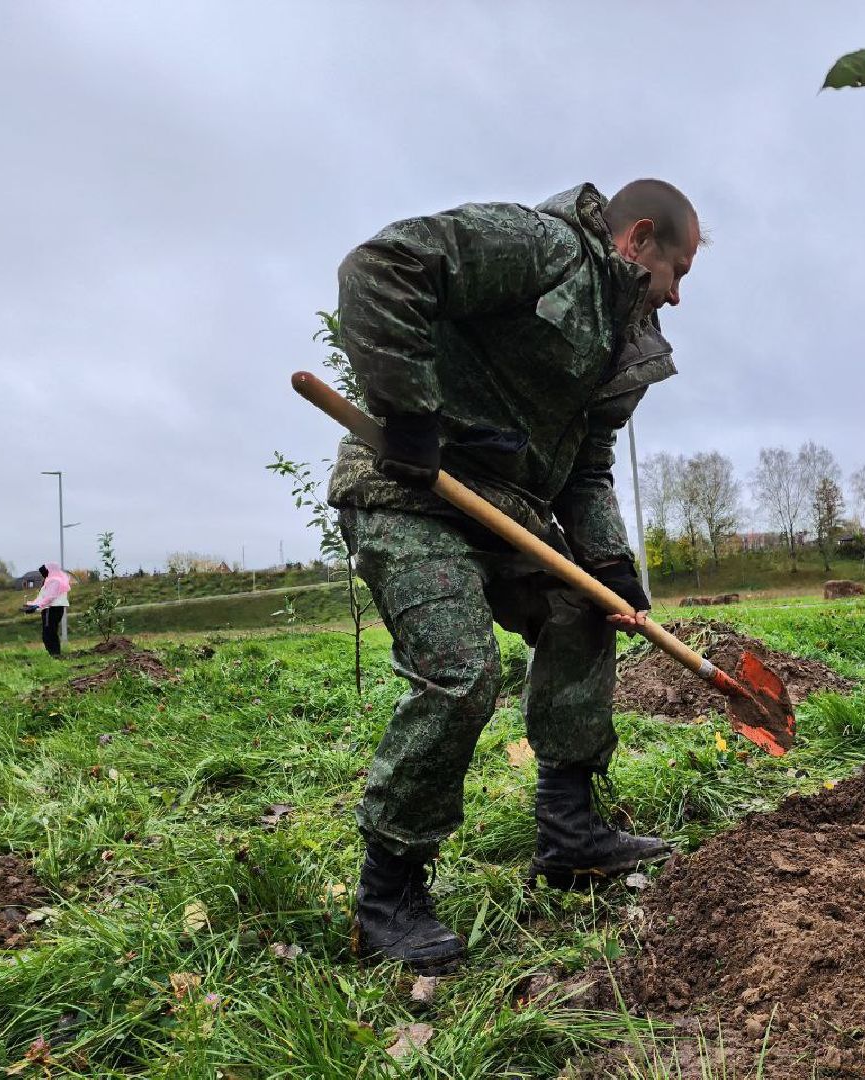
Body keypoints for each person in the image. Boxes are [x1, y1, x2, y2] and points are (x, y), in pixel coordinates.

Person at [326, 179, 703, 973]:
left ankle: (570, 834)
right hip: (409, 489)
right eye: (680, 273)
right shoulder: (538, 246)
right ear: (637, 240)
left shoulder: (623, 347)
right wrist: (413, 410)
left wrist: (608, 562)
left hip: (504, 506)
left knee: (583, 608)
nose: (676, 297)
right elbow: (380, 268)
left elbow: (588, 469)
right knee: (463, 673)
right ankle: (387, 894)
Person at [23, 562, 71, 657]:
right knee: (49, 632)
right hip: (50, 609)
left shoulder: (55, 581)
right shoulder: (50, 580)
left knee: (49, 633)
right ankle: (54, 654)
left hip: (52, 609)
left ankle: (55, 654)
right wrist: (31, 604)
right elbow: (42, 597)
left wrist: (37, 606)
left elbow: (50, 597)